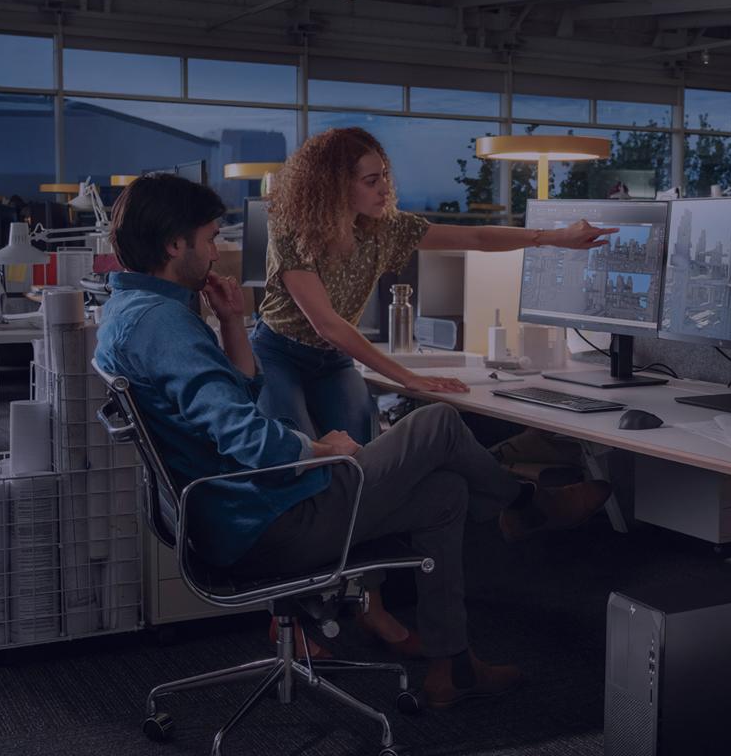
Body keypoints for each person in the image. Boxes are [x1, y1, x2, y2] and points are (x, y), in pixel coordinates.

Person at [94, 173, 611, 708]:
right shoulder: (165, 327)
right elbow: (246, 437)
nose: (215, 253)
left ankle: (451, 667)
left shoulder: (129, 311)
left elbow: (240, 399)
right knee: (437, 423)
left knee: (446, 497)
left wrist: (231, 323)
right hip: (267, 521)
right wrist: (319, 449)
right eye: (207, 240)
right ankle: (526, 503)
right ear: (174, 245)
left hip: (229, 516)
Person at [250, 126, 618, 447]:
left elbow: (476, 237)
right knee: (291, 444)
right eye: (371, 181)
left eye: (385, 177)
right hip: (279, 353)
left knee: (361, 445)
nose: (384, 189)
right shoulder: (292, 233)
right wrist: (409, 378)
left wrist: (556, 237)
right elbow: (326, 324)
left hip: (333, 360)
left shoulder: (386, 229)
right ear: (335, 186)